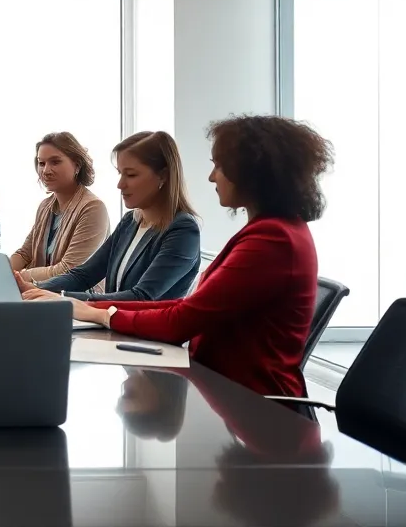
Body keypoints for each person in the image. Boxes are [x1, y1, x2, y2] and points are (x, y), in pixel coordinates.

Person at [61, 115, 332, 399]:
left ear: (251, 171)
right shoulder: (271, 232)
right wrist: (90, 307)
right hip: (228, 395)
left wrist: (100, 313)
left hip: (256, 410)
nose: (211, 176)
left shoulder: (273, 241)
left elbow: (182, 321)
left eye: (219, 166)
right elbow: (191, 307)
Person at [24, 131, 200, 301]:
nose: (120, 184)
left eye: (131, 175)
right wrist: (36, 288)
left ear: (163, 176)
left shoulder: (183, 229)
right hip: (114, 328)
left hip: (151, 331)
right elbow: (84, 275)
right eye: (120, 173)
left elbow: (141, 296)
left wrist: (61, 297)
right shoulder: (130, 222)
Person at [9, 132, 110, 285]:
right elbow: (24, 254)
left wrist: (23, 275)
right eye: (41, 163)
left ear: (77, 165)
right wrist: (1, 273)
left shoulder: (93, 208)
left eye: (55, 162)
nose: (46, 171)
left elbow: (70, 269)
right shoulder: (45, 206)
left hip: (79, 299)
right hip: (44, 293)